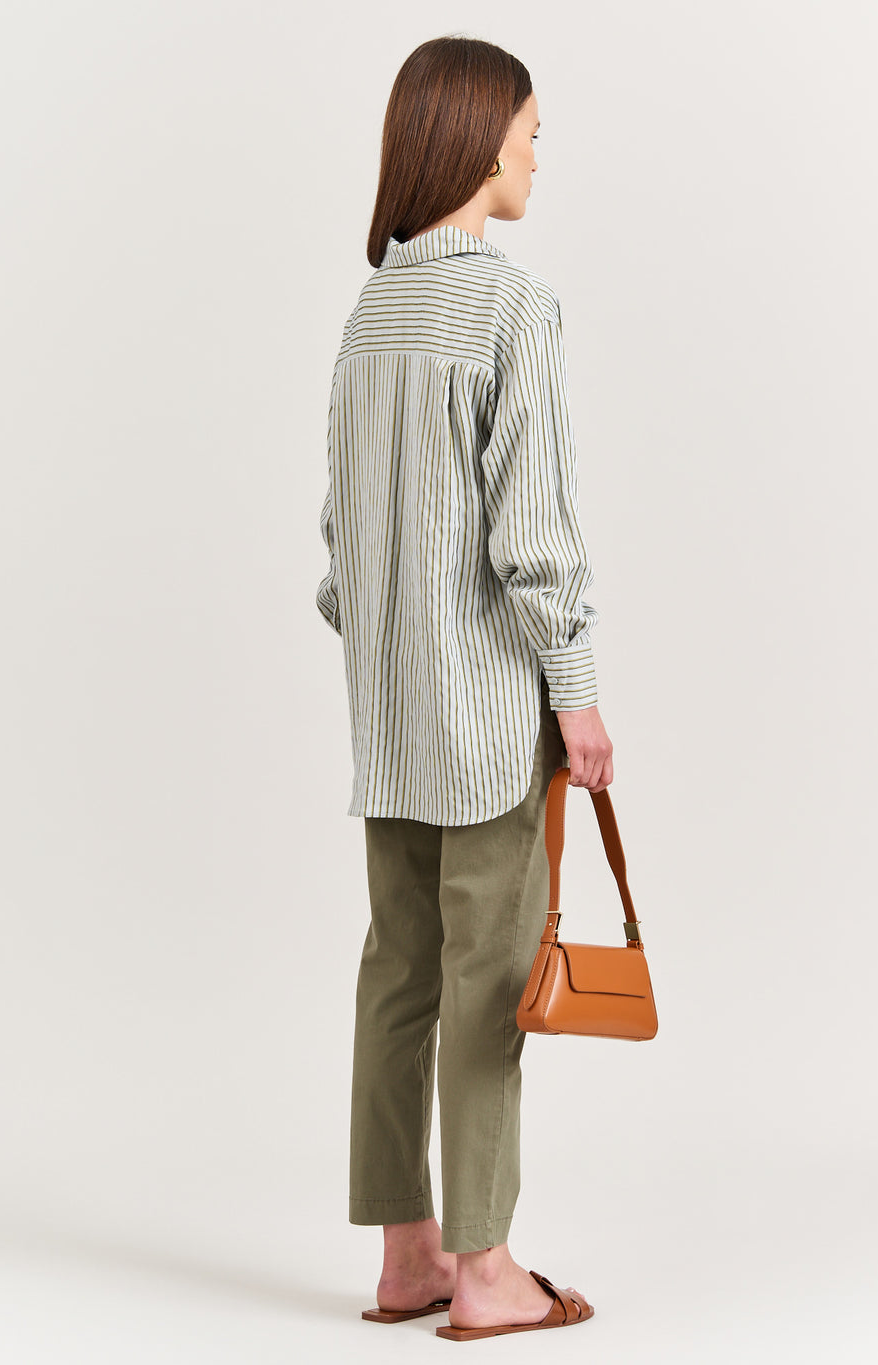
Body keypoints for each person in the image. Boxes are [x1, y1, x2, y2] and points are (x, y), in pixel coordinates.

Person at [316, 34, 612, 1340]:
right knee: (488, 987)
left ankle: (407, 1256)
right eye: (532, 132)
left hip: (386, 722)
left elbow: (341, 547)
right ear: (484, 136)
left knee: (400, 974)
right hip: (488, 718)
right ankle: (486, 1273)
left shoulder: (368, 316)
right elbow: (533, 535)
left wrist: (387, 651)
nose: (538, 155)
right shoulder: (512, 311)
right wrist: (577, 691)